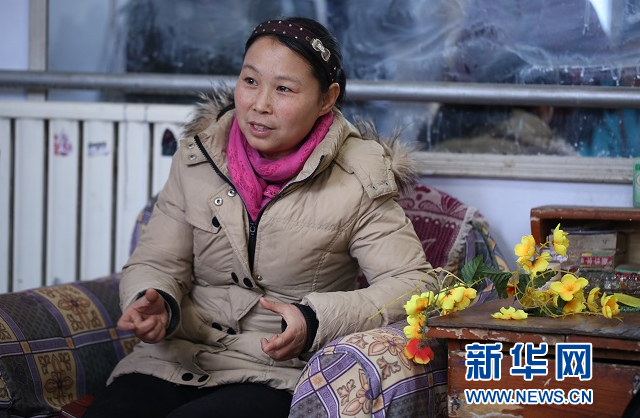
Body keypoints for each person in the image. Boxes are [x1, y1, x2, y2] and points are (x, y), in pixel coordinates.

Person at [85, 16, 432, 418]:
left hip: (278, 372)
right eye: (250, 81)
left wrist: (315, 319)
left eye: (284, 89)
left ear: (326, 99)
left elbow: (414, 284)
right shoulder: (200, 156)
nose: (259, 104)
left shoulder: (358, 178)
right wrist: (156, 299)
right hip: (176, 356)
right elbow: (157, 260)